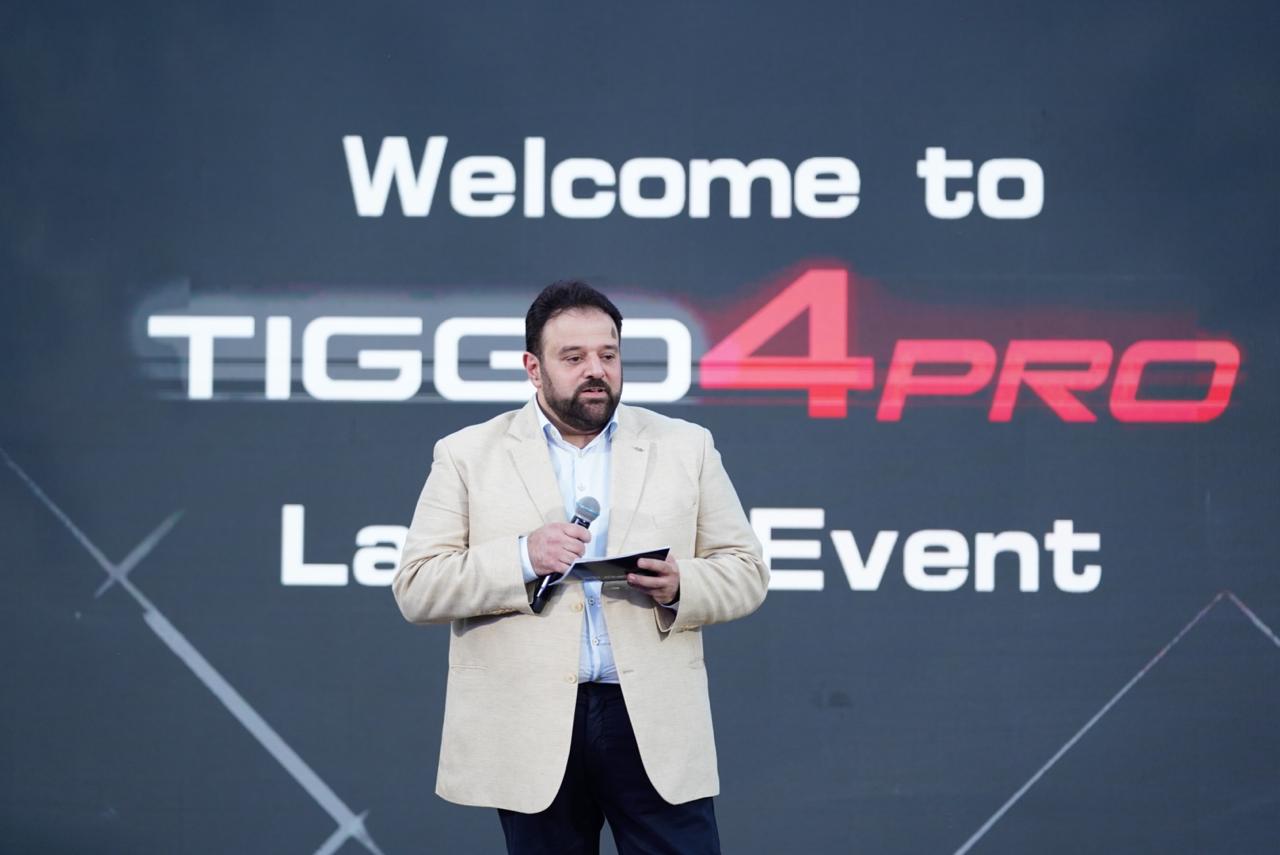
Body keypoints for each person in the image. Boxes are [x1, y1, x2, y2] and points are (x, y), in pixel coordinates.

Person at [393, 280, 768, 854]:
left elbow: (745, 571)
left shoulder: (686, 446)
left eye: (608, 355)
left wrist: (680, 585)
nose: (596, 370)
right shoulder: (467, 454)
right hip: (532, 725)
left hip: (652, 722)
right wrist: (523, 556)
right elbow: (418, 587)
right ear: (533, 368)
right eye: (573, 357)